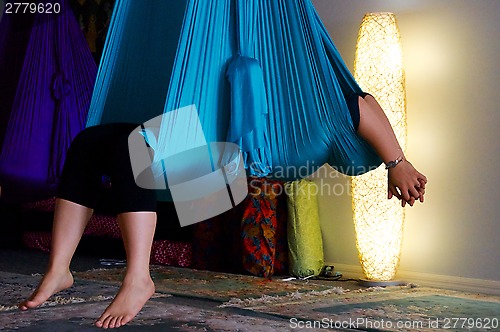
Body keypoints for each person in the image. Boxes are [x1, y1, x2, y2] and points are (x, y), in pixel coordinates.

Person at [18, 95, 426, 329]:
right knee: (89, 142)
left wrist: (398, 163)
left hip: (226, 164)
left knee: (133, 149)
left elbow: (361, 102)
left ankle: (139, 278)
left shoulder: (313, 109)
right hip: (206, 135)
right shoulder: (251, 81)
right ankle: (59, 268)